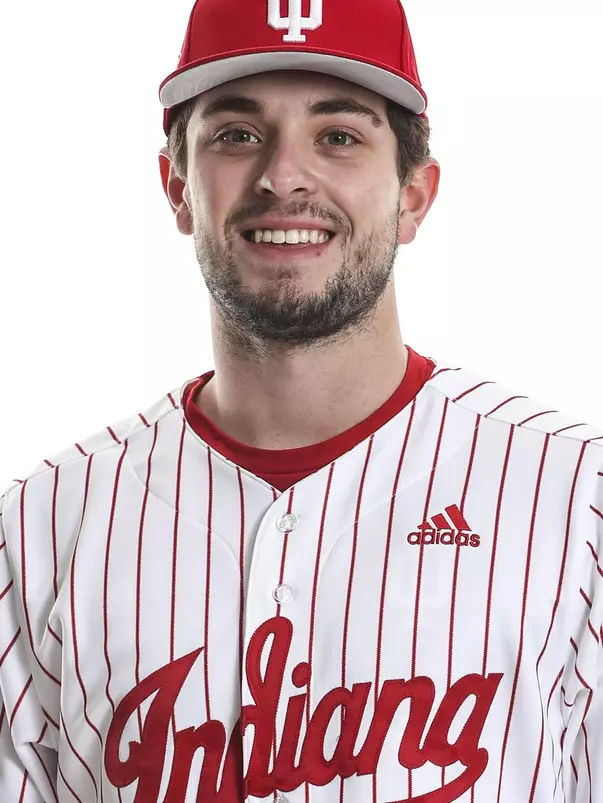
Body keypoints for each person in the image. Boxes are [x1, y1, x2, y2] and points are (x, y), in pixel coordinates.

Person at [1, 0, 602, 800]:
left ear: (414, 195)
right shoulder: (42, 528)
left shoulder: (571, 500)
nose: (282, 175)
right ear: (176, 187)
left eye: (338, 136)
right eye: (236, 134)